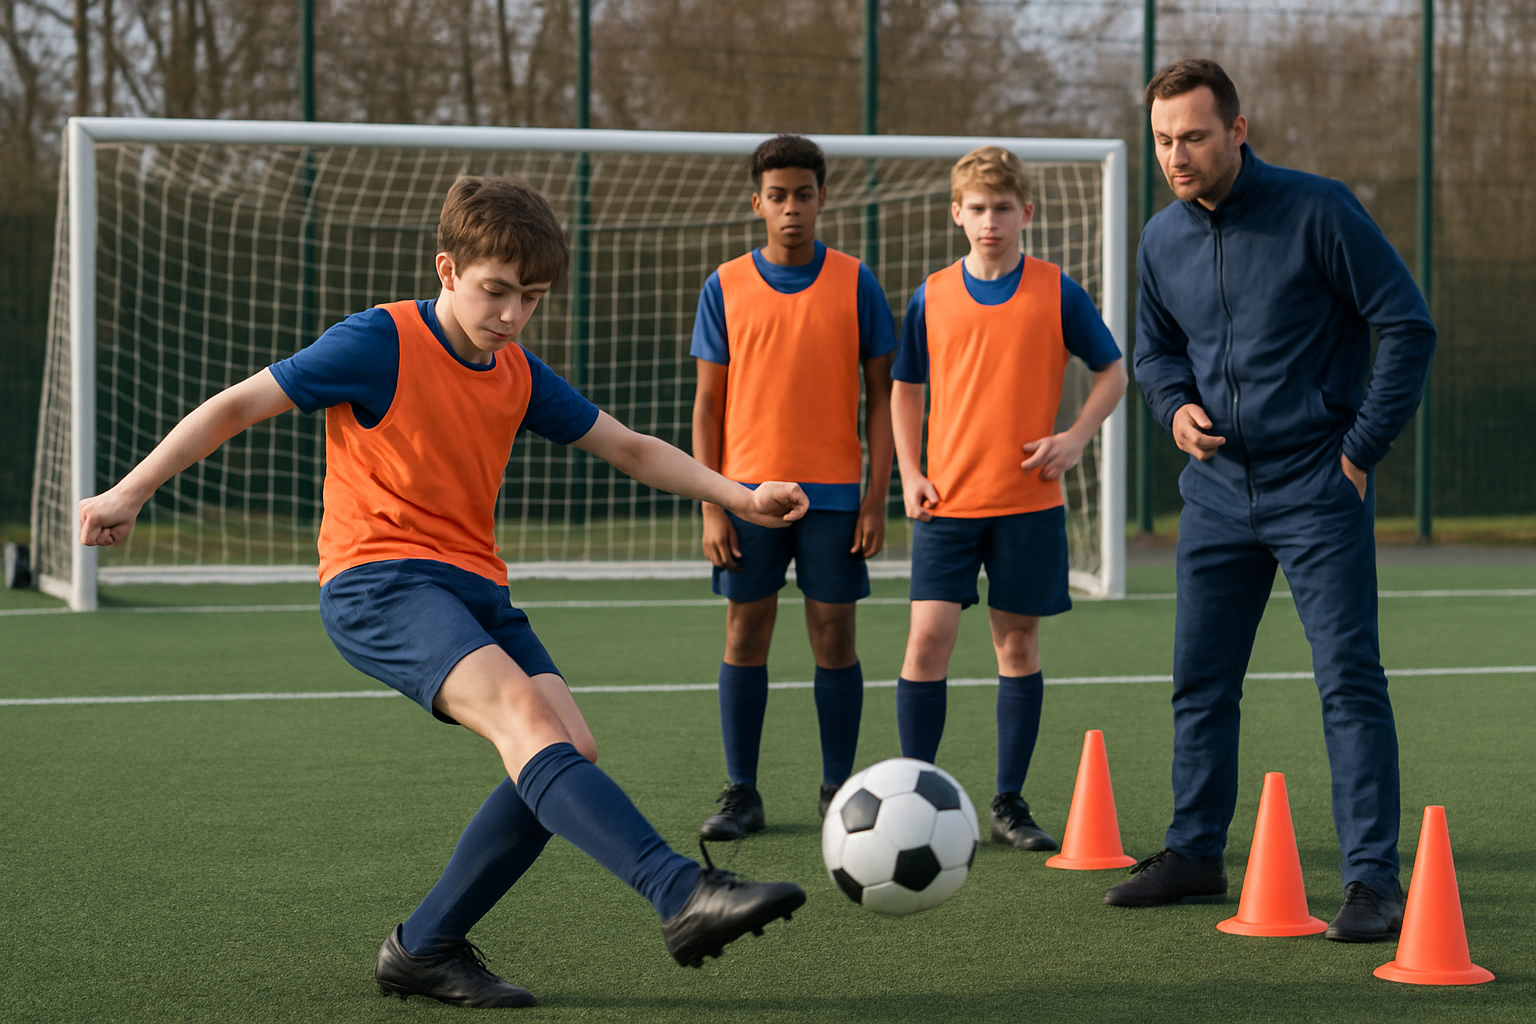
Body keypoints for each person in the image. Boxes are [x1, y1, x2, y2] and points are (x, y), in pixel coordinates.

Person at [77, 176, 810, 1008]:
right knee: (530, 727)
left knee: (567, 748)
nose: (511, 314)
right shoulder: (378, 341)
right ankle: (678, 891)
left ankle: (424, 947)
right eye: (496, 291)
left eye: (530, 298)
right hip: (377, 579)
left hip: (474, 588)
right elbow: (239, 405)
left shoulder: (517, 372)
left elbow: (633, 449)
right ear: (447, 270)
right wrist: (128, 492)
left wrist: (741, 494)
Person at [1110, 58, 1436, 943]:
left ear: (1238, 130)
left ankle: (1372, 882)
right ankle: (1194, 852)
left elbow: (1406, 324)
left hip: (1317, 488)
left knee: (1348, 683)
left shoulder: (1318, 209)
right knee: (1201, 683)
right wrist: (1173, 407)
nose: (1177, 155)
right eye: (1164, 140)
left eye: (1195, 137)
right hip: (1215, 497)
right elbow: (1153, 351)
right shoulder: (1159, 239)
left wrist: (1361, 449)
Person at [890, 146, 1127, 853]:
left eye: (1003, 209)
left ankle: (1009, 802)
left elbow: (1113, 371)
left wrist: (1077, 435)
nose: (990, 221)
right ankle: (915, 790)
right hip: (947, 506)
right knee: (926, 641)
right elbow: (906, 388)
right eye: (977, 209)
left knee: (1016, 645)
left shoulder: (1058, 291)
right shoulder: (931, 295)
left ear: (1027, 213)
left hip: (1029, 505)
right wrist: (909, 470)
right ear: (956, 214)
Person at [689, 134, 897, 839]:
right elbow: (709, 406)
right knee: (746, 630)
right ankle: (741, 793)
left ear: (822, 198)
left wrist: (876, 497)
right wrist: (716, 502)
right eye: (777, 197)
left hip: (837, 496)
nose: (791, 209)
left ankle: (838, 788)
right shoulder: (724, 285)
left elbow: (881, 399)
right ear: (757, 203)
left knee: (834, 634)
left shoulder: (856, 280)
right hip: (748, 496)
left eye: (803, 195)